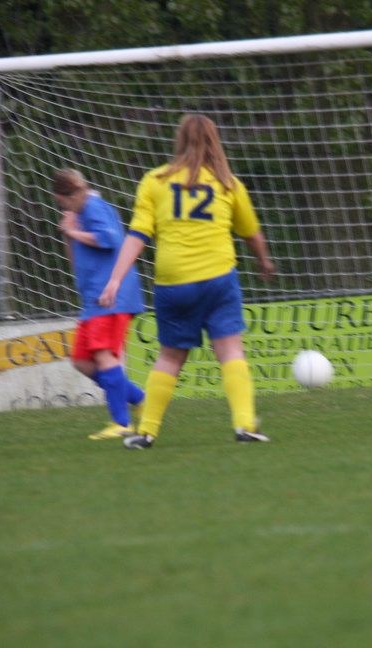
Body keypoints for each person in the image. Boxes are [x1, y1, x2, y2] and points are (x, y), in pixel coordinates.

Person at [99, 114, 275, 449]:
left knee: (170, 357)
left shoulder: (155, 180)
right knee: (230, 351)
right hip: (218, 277)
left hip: (174, 282)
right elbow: (251, 234)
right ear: (215, 141)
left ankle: (146, 432)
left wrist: (115, 279)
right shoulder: (228, 184)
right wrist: (263, 260)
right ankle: (244, 426)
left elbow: (138, 235)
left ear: (179, 140)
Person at [53, 169, 146, 439]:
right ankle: (139, 398)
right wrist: (69, 234)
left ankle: (121, 423)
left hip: (110, 296)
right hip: (93, 299)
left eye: (61, 202)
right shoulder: (81, 213)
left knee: (104, 355)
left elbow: (110, 239)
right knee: (81, 361)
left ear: (63, 197)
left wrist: (73, 231)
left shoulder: (94, 206)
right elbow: (75, 260)